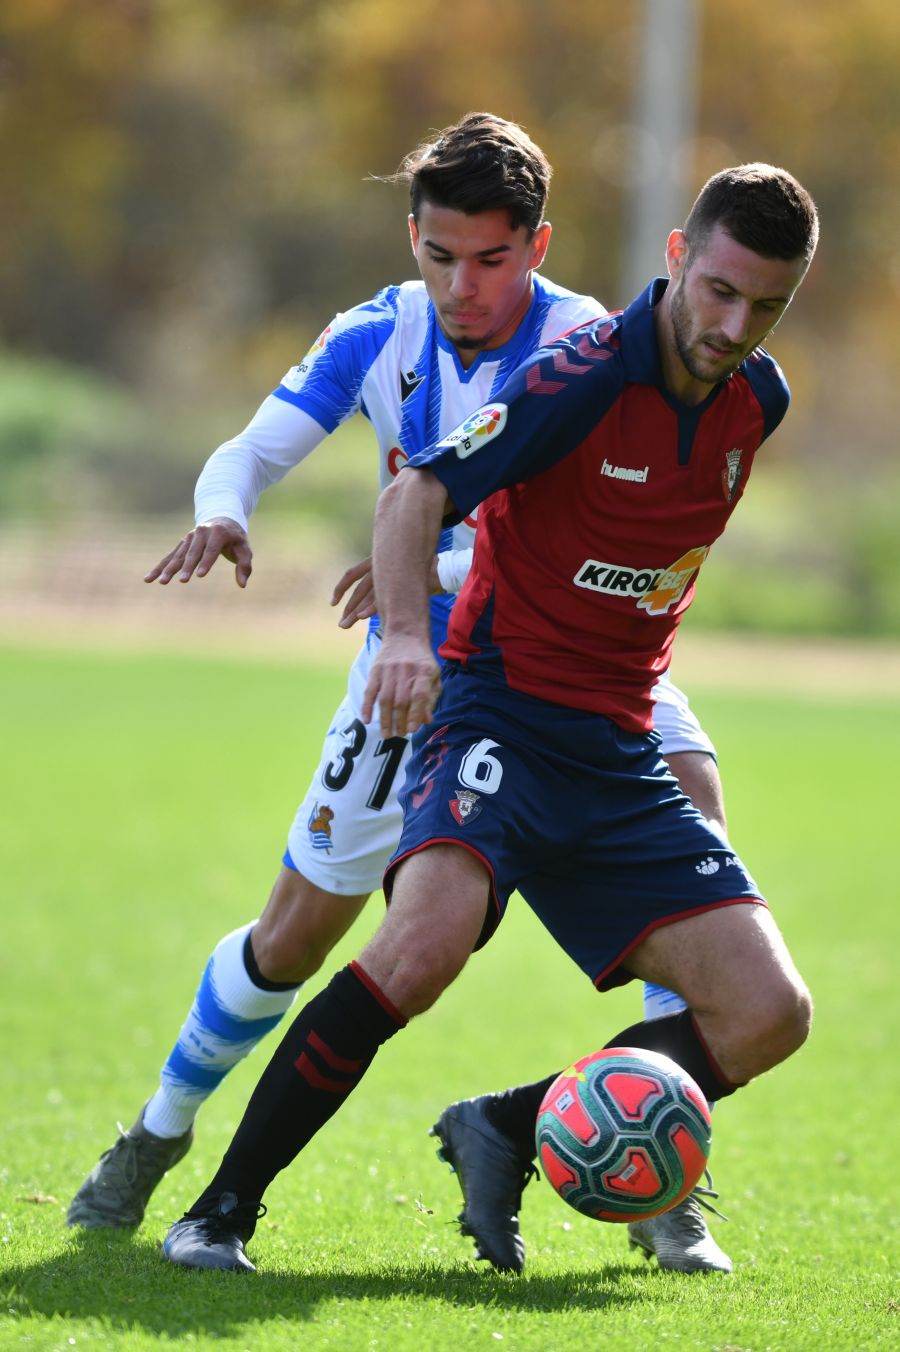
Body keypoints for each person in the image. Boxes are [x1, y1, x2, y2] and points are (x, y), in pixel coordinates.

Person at [67, 113, 727, 1270]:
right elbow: (251, 450)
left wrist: (427, 551)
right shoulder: (377, 331)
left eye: (490, 258)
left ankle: (667, 1171)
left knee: (710, 847)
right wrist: (225, 511)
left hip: (573, 657)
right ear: (411, 238)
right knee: (291, 938)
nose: (461, 286)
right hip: (419, 663)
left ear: (538, 244)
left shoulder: (591, 341)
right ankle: (160, 1132)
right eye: (438, 255)